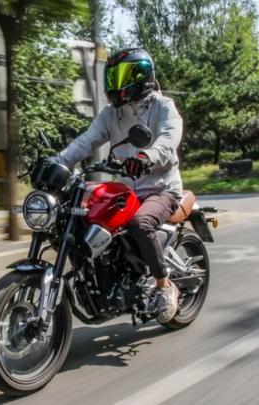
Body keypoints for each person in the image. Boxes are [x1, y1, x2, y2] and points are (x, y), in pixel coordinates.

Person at [55, 48, 183, 322]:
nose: (115, 84)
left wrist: (146, 157)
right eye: (111, 77)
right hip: (128, 190)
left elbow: (168, 139)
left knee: (140, 223)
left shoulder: (163, 107)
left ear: (142, 76)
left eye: (122, 76)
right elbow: (86, 141)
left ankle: (164, 285)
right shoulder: (111, 115)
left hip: (161, 188)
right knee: (84, 216)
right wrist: (59, 162)